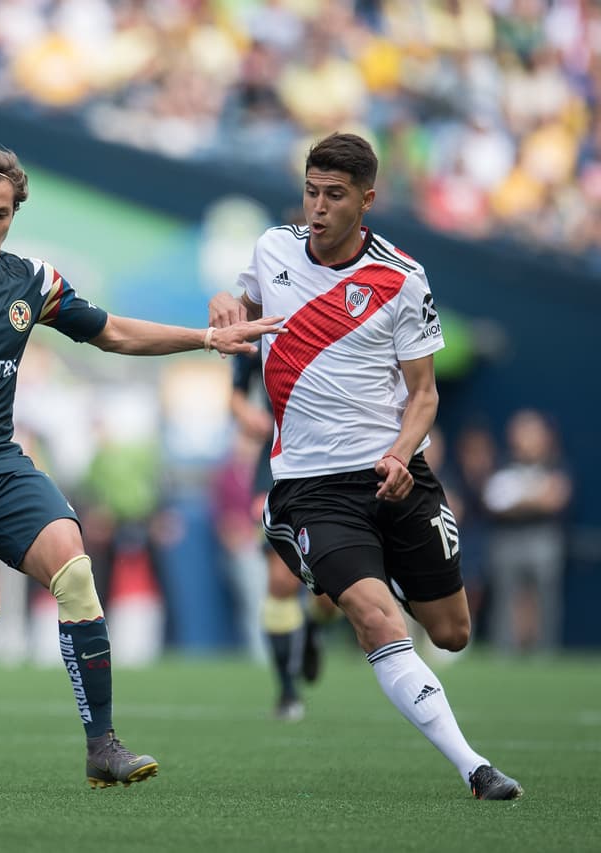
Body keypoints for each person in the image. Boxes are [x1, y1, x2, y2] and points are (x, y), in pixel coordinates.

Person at [0, 144, 283, 791]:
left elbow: (111, 332)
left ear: (13, 214)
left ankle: (103, 746)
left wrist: (204, 339)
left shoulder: (32, 281)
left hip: (3, 467)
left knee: (75, 569)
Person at [208, 132, 522, 800]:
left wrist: (401, 453)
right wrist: (226, 307)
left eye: (334, 195)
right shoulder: (273, 248)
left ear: (367, 199)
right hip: (310, 487)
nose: (317, 208)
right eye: (310, 192)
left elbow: (425, 393)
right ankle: (475, 767)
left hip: (395, 475)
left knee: (452, 632)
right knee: (379, 618)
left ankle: (344, 597)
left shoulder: (401, 279)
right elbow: (242, 302)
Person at [227, 350, 337, 720]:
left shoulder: (335, 318)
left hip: (334, 460)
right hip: (276, 462)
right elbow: (236, 395)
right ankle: (287, 692)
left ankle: (312, 630)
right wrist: (249, 417)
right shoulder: (259, 333)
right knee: (280, 581)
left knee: (330, 594)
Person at [483, 409, 571, 654]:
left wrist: (518, 499)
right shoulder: (502, 463)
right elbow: (493, 502)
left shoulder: (556, 463)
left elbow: (555, 499)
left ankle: (544, 652)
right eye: (520, 432)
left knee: (546, 598)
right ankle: (505, 652)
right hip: (507, 538)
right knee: (505, 597)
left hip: (543, 538)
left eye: (531, 432)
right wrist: (534, 496)